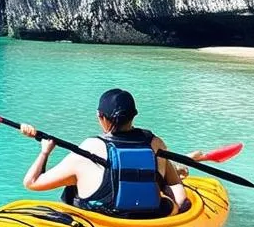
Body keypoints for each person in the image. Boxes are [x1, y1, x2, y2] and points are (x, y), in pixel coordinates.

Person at [19, 88, 187, 218]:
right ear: (133, 116)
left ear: (101, 117)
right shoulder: (155, 143)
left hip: (105, 220)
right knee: (169, 186)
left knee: (72, 187)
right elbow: (175, 186)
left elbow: (32, 183)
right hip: (150, 218)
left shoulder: (90, 147)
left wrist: (45, 152)